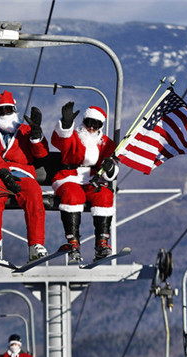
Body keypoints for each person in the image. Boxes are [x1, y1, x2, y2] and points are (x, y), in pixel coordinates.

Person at [0, 90, 50, 262]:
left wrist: (36, 136)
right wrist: (4, 173)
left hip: (23, 175)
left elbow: (41, 154)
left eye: (8, 110)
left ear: (15, 110)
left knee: (34, 193)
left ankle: (36, 244)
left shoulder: (26, 131)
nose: (5, 114)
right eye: (1, 111)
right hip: (0, 175)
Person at [51, 102, 118, 261]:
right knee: (73, 196)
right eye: (90, 123)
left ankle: (102, 243)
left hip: (93, 178)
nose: (92, 128)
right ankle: (73, 242)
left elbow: (112, 167)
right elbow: (60, 141)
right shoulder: (74, 136)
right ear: (84, 122)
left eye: (97, 125)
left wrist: (109, 168)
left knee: (104, 196)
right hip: (70, 176)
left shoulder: (105, 143)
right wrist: (65, 125)